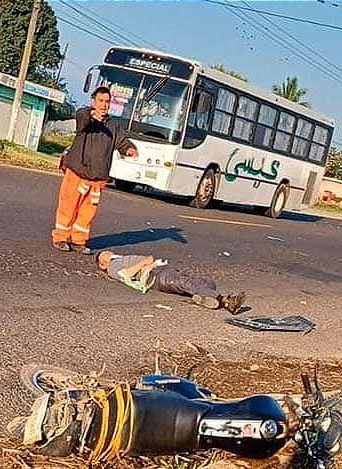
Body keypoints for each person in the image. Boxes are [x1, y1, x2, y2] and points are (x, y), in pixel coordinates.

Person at [52, 86, 138, 255]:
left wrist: (129, 149)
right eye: (101, 101)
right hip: (77, 172)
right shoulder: (86, 117)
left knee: (87, 213)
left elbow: (122, 142)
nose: (104, 105)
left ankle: (79, 241)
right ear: (94, 101)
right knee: (68, 206)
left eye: (107, 102)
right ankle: (60, 237)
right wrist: (91, 114)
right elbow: (81, 115)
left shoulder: (113, 125)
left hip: (97, 179)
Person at [96, 250, 246, 314]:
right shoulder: (112, 266)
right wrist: (144, 262)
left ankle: (205, 297)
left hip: (159, 270)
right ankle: (224, 301)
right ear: (102, 264)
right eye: (104, 254)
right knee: (184, 282)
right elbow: (126, 275)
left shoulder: (117, 259)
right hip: (155, 277)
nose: (108, 252)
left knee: (205, 281)